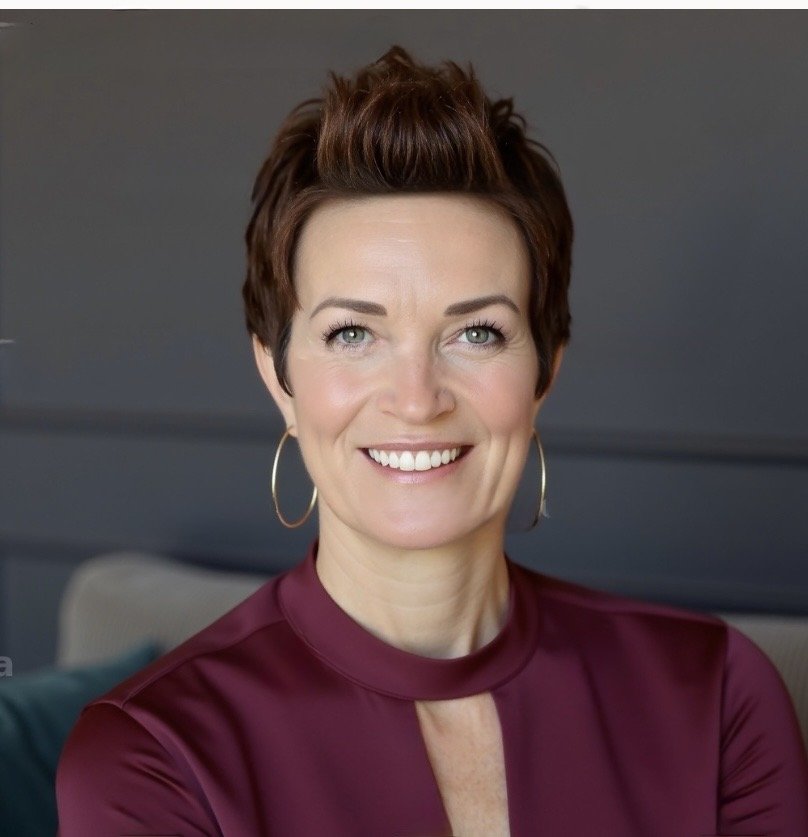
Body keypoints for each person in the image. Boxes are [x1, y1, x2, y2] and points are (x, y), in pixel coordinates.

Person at [56, 45, 808, 836]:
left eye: (477, 332)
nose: (417, 400)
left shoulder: (717, 695)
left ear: (544, 371)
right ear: (278, 376)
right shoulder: (150, 759)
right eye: (353, 334)